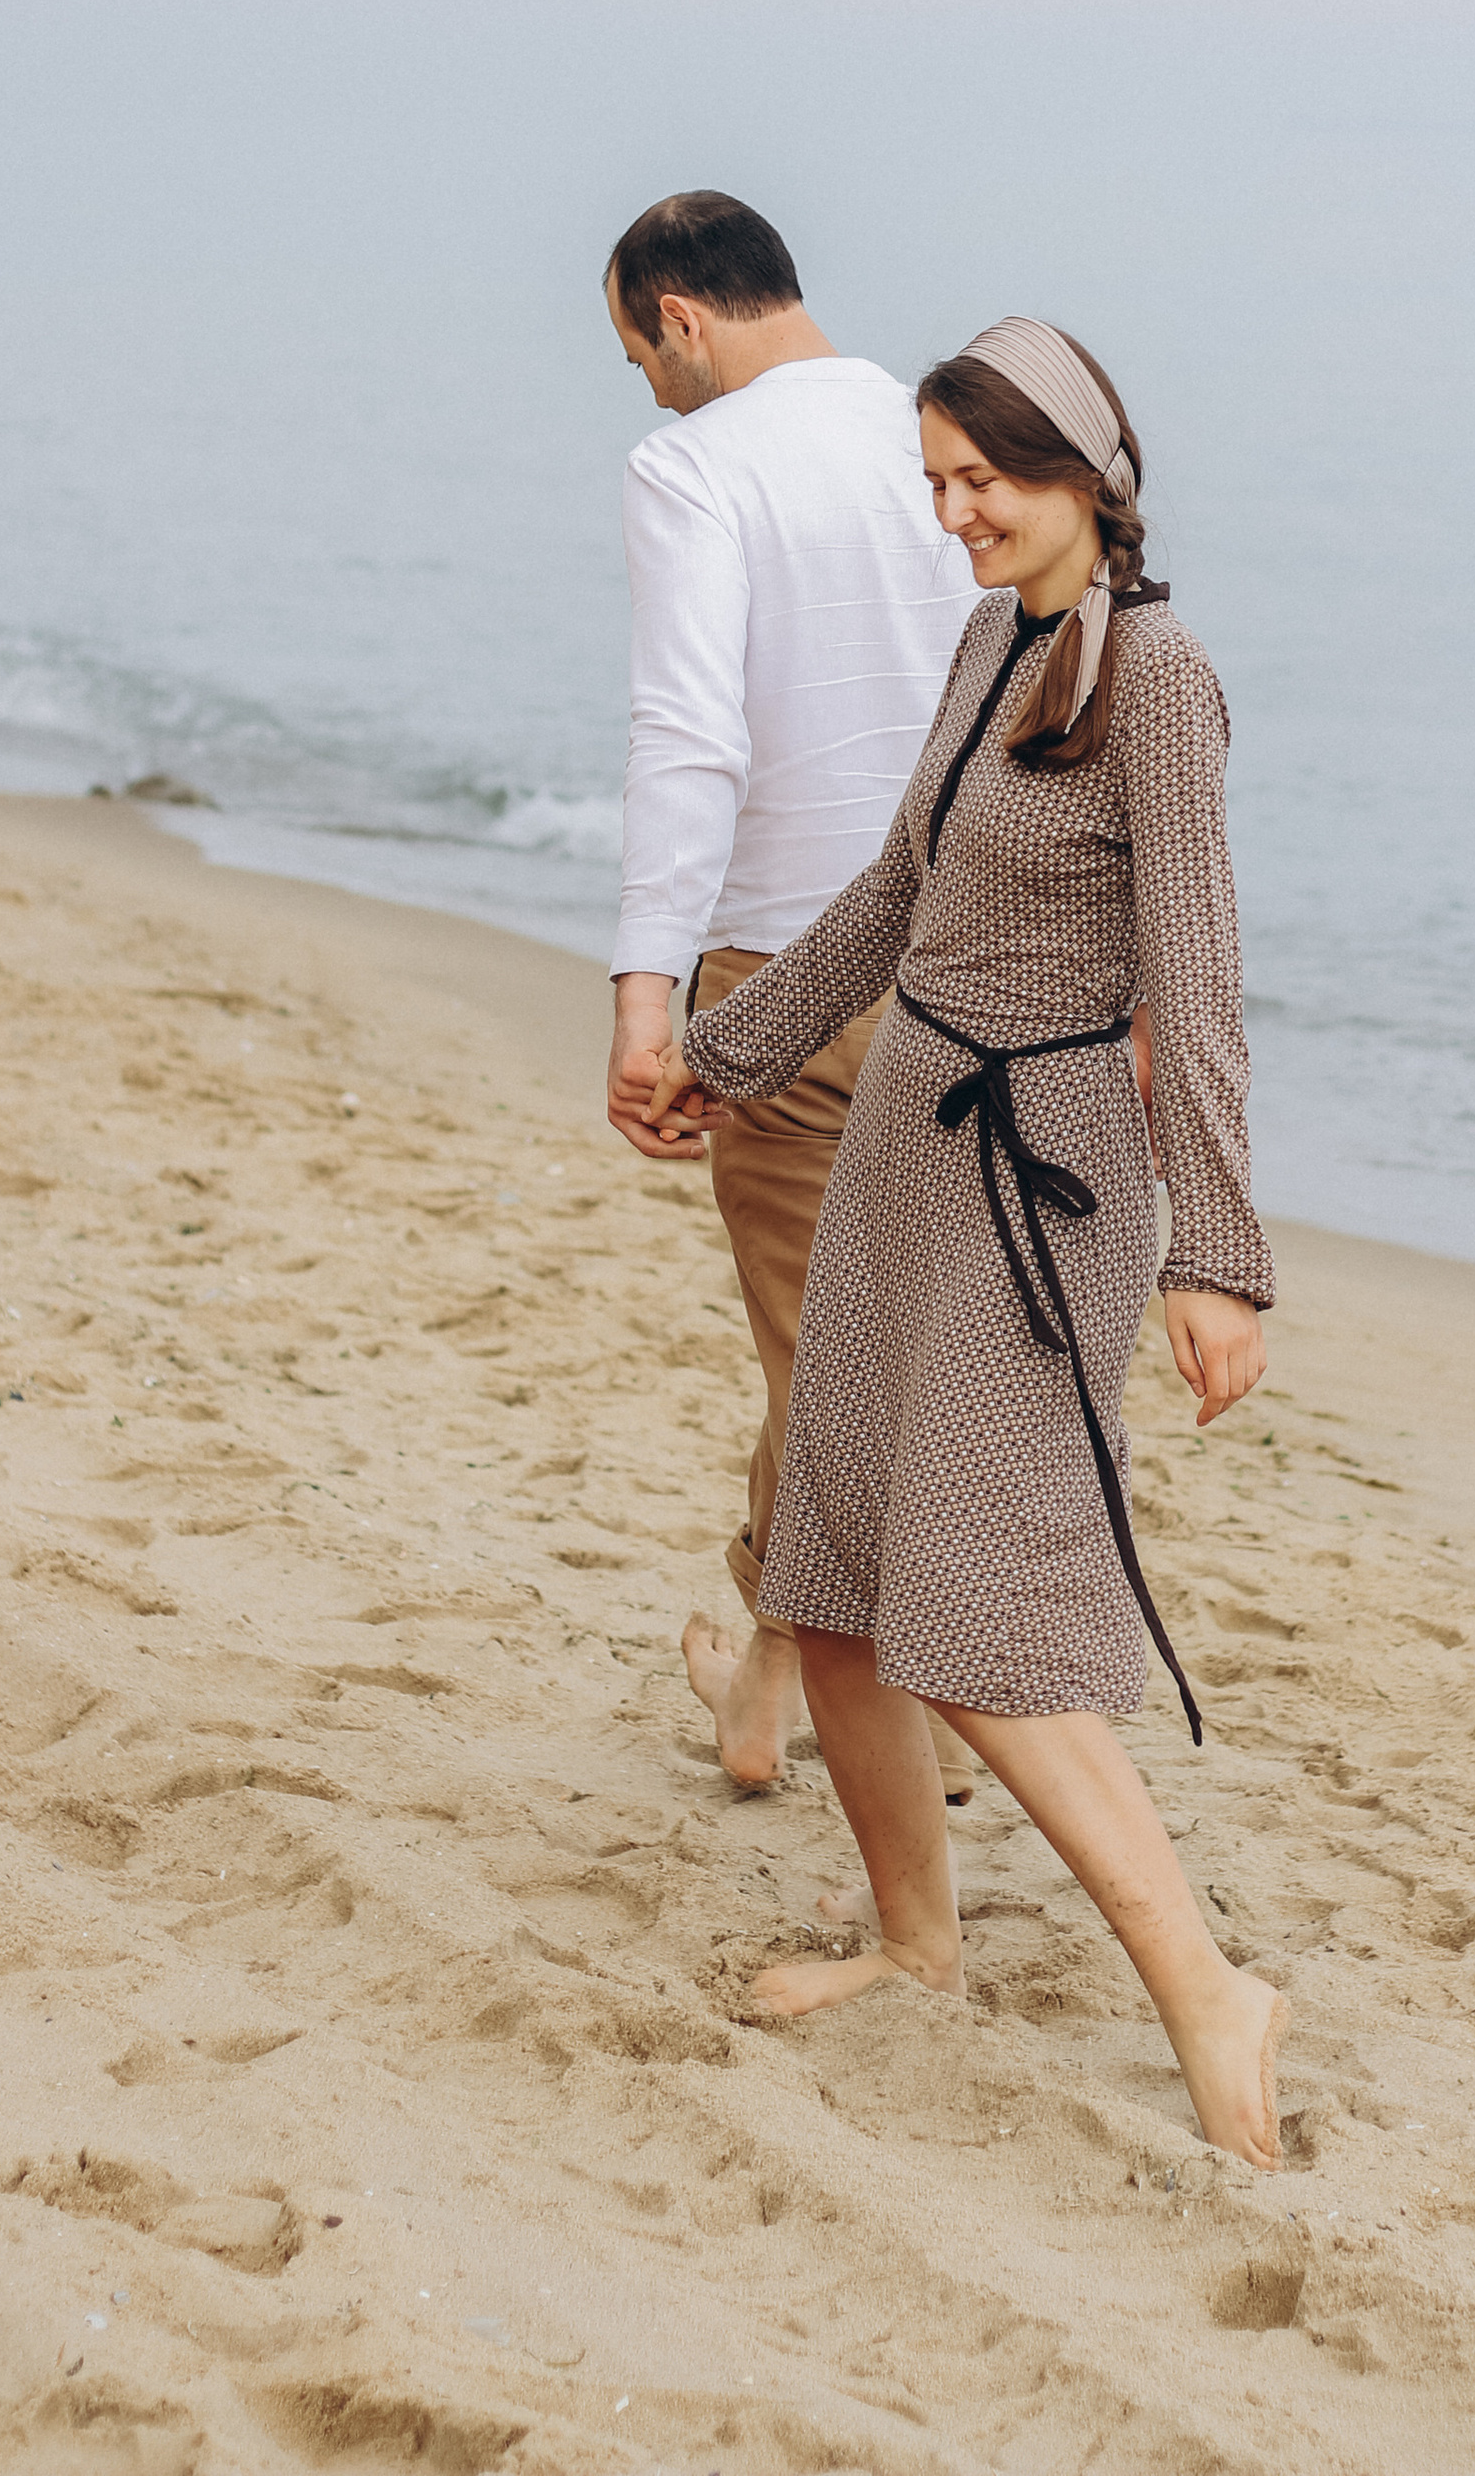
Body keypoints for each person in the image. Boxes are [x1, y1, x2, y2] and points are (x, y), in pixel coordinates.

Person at [640, 317, 1285, 2167]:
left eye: (981, 481)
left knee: (978, 1622)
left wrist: (1218, 1253)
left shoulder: (1160, 684)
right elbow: (899, 891)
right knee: (833, 1569)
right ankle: (916, 1943)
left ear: (1089, 473)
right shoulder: (994, 636)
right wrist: (727, 1056)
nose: (953, 515)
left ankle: (1208, 1989)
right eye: (934, 483)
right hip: (907, 1144)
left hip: (1047, 1178)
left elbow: (1199, 980)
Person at [597, 189, 974, 1793]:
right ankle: (771, 1685)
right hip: (979, 966)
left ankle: (929, 1705)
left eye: (635, 351)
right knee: (915, 1356)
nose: (644, 386)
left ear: (680, 317)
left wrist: (645, 995)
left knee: (825, 1366)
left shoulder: (696, 464)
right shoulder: (949, 444)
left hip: (792, 979)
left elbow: (690, 737)